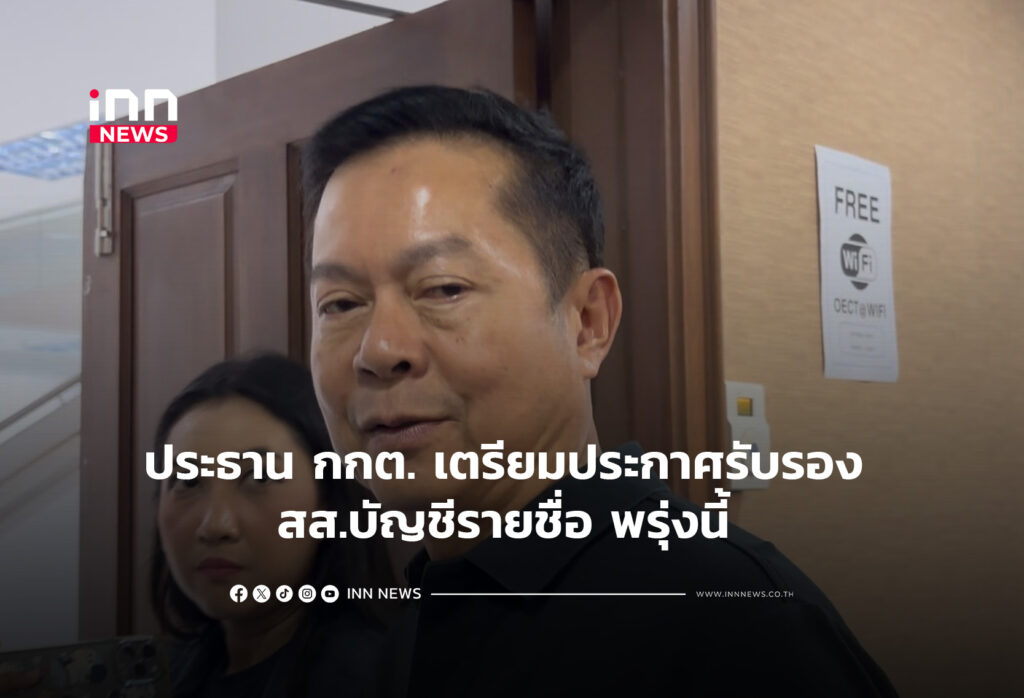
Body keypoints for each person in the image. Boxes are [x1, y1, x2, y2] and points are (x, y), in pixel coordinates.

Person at [302, 86, 899, 696]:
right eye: (340, 304)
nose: (379, 351)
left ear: (588, 322)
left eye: (443, 288)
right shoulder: (398, 623)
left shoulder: (732, 620)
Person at [151, 353, 392, 698]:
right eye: (188, 482)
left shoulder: (378, 676)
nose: (215, 526)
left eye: (259, 478)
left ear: (328, 500)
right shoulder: (167, 673)